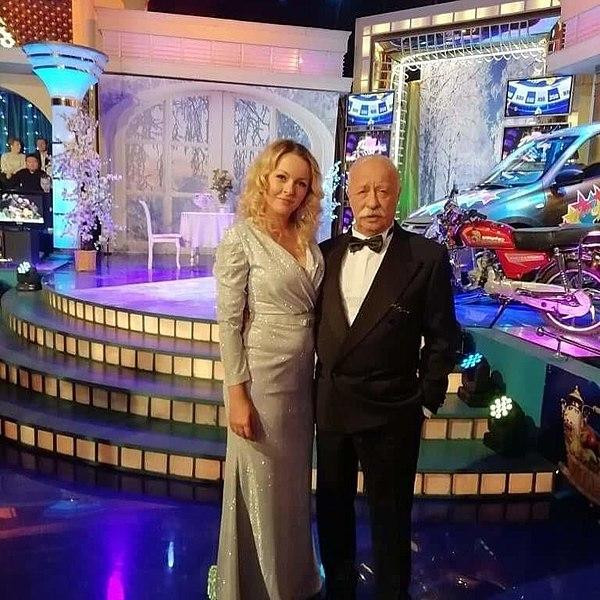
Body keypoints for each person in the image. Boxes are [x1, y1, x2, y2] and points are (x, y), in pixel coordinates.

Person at [314, 155, 459, 600]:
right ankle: (339, 588)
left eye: (383, 191)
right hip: (333, 405)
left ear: (397, 195)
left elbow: (443, 336)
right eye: (363, 190)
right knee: (332, 509)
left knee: (391, 515)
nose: (372, 201)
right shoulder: (325, 253)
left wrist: (426, 400)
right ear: (349, 195)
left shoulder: (426, 257)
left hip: (392, 409)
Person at [211, 139, 324, 600]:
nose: (289, 190)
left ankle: (292, 577)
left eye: (301, 183)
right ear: (265, 178)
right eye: (282, 178)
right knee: (259, 481)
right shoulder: (241, 238)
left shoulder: (306, 238)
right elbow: (228, 322)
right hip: (261, 380)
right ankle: (256, 586)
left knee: (291, 484)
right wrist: (236, 393)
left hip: (301, 381)